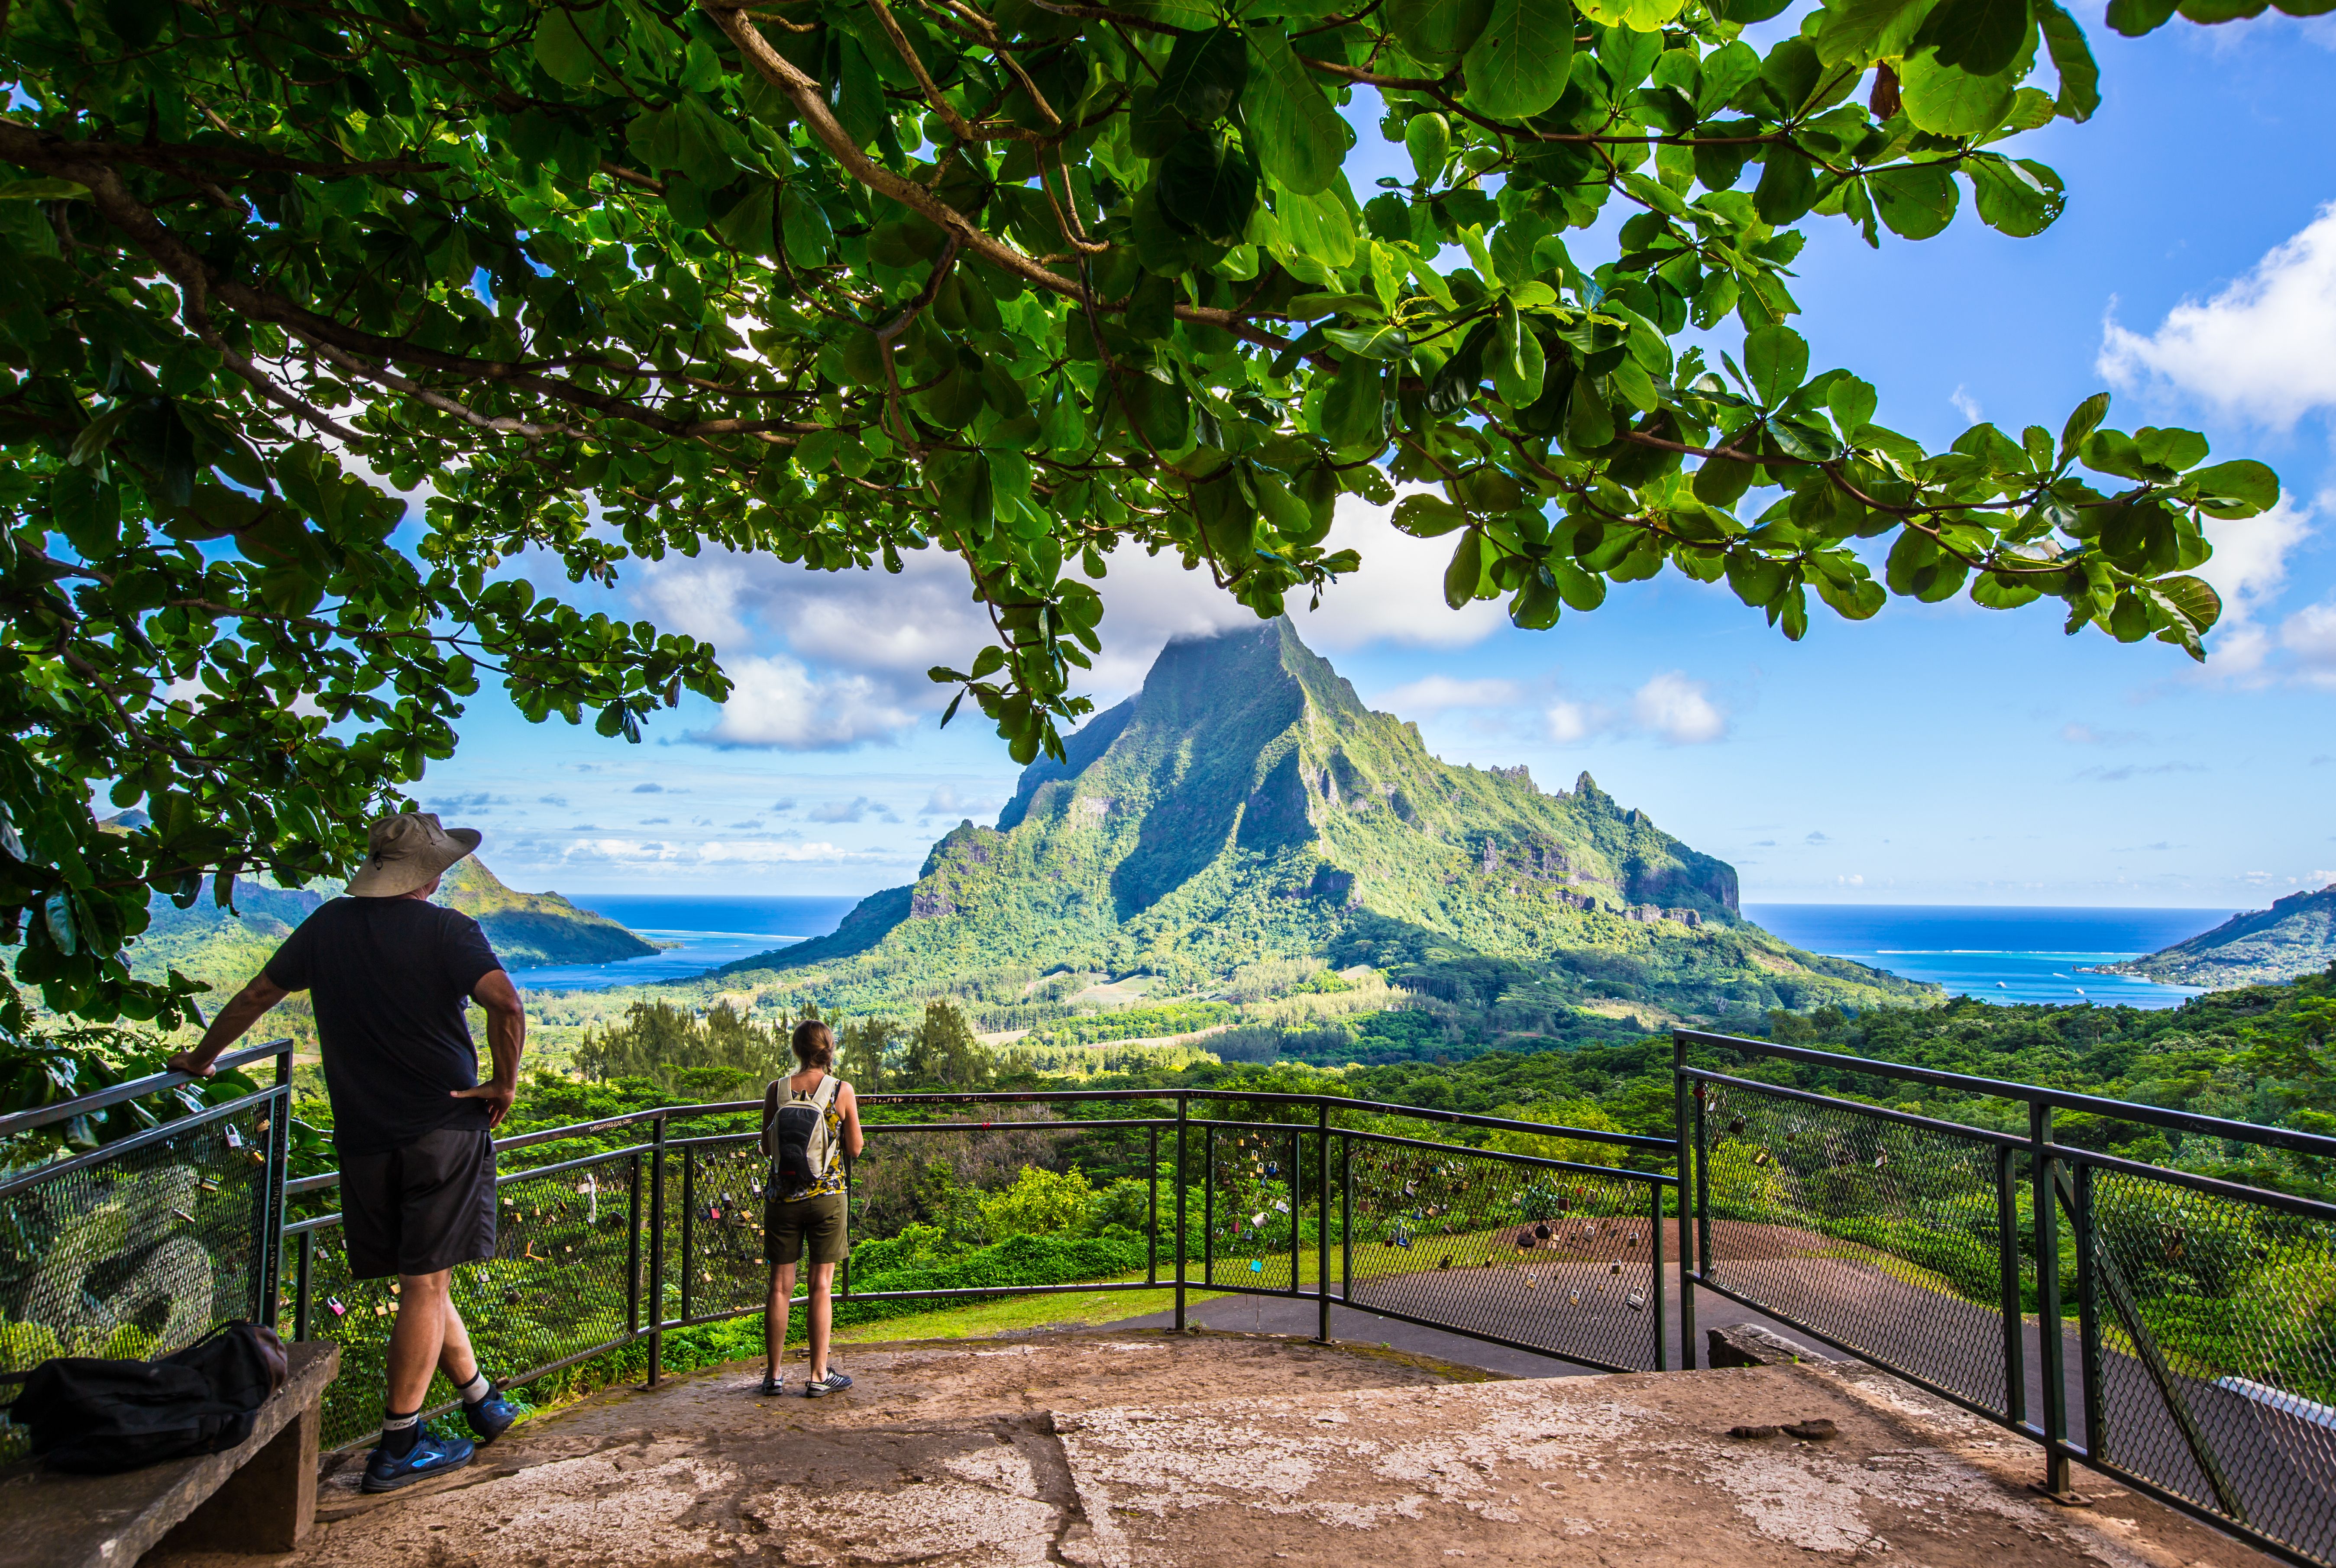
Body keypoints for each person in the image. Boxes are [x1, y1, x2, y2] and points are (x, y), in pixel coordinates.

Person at [169, 811, 526, 1492]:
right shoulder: (450, 930)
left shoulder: (329, 925)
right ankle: (399, 1445)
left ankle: (481, 1402)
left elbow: (257, 994)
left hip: (363, 1137)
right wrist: (502, 1084)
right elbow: (506, 1004)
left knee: (424, 1273)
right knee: (426, 1281)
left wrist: (202, 1058)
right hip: (443, 1129)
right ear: (431, 874)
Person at [760, 1019, 864, 1398]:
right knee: (821, 1285)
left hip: (782, 1199)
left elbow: (766, 1148)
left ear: (797, 1049)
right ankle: (819, 1375)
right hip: (826, 1199)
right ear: (829, 1049)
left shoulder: (777, 1089)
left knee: (779, 1287)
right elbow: (855, 1148)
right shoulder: (841, 1090)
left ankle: (773, 1375)